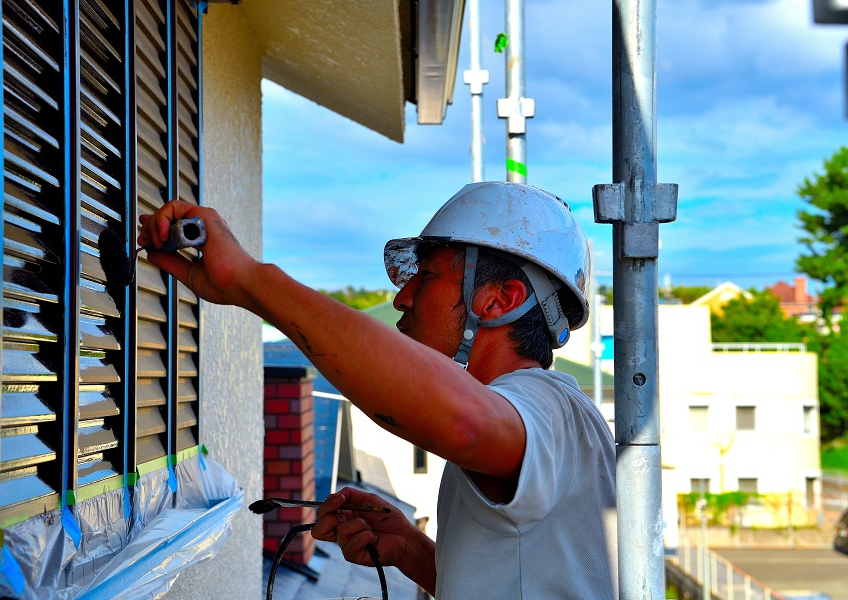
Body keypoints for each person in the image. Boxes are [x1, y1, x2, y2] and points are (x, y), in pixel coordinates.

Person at [138, 181, 616, 599]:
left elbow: (463, 422)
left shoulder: (554, 407)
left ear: (497, 301)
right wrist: (411, 550)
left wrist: (248, 280)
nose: (401, 297)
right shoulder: (532, 426)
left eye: (426, 277)